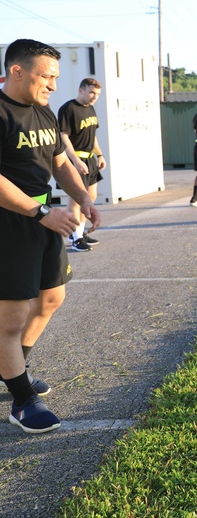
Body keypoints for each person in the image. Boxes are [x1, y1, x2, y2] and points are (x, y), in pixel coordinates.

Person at [0, 38, 101, 433]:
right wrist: (40, 211)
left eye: (57, 78)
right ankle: (22, 400)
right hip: (11, 221)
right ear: (17, 71)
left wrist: (83, 198)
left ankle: (13, 371)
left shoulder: (43, 112)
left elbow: (59, 162)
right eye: (47, 77)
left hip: (43, 218)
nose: (54, 86)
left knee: (52, 297)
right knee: (11, 319)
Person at [58, 78, 106, 252]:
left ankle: (80, 232)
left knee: (90, 197)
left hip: (90, 160)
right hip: (74, 159)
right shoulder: (68, 109)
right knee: (76, 199)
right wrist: (75, 160)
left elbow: (92, 136)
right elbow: (63, 136)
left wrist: (99, 154)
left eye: (98, 94)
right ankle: (76, 237)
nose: (95, 96)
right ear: (81, 90)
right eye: (92, 92)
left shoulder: (91, 109)